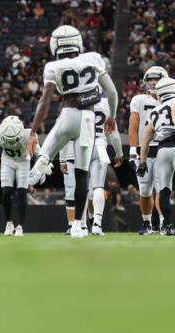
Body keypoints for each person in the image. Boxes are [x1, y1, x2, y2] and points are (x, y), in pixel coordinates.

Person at [27, 25, 118, 238]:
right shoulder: (94, 58)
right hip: (88, 118)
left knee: (50, 147)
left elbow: (45, 101)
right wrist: (112, 115)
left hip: (68, 114)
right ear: (78, 42)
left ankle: (42, 162)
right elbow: (112, 92)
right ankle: (78, 225)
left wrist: (32, 131)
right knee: (81, 175)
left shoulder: (52, 66)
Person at [137, 77, 175, 236]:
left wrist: (142, 162)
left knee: (164, 190)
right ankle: (169, 224)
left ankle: (167, 226)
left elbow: (145, 139)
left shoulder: (154, 111)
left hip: (161, 150)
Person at [128, 66, 166, 235]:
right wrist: (132, 150)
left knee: (162, 188)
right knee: (145, 190)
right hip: (144, 149)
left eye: (156, 80)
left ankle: (164, 223)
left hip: (163, 148)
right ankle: (147, 223)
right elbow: (133, 126)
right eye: (150, 80)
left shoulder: (171, 101)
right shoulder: (138, 99)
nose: (152, 83)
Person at [0, 115, 31, 236]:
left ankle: (20, 226)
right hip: (7, 161)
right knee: (6, 192)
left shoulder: (28, 135)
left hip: (23, 162)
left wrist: (42, 168)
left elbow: (39, 151)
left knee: (22, 193)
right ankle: (9, 223)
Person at [87, 95, 124, 235]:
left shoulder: (78, 100)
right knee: (98, 187)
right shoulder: (105, 103)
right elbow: (113, 134)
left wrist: (65, 157)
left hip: (82, 147)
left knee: (82, 187)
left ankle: (80, 225)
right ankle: (96, 224)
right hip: (100, 145)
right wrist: (119, 154)